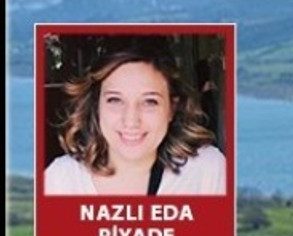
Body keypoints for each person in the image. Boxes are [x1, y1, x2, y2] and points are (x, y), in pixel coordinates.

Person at [44, 47, 226, 196]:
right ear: (96, 106)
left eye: (149, 102)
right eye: (115, 100)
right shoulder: (61, 180)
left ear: (171, 108)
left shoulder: (206, 170)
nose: (131, 121)